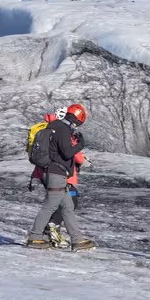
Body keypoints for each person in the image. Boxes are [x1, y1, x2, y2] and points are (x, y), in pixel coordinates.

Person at [26, 103, 94, 251]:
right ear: (78, 119)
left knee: (68, 207)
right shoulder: (62, 129)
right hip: (55, 173)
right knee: (50, 205)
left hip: (55, 172)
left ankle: (77, 240)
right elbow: (67, 152)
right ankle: (34, 236)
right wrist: (81, 144)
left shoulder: (54, 126)